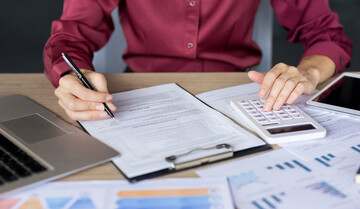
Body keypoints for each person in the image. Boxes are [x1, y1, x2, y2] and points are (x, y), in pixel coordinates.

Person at [44, 0, 353, 121]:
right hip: (137, 91)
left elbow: (326, 32)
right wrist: (72, 77)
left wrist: (309, 73)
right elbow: (70, 36)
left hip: (240, 92)